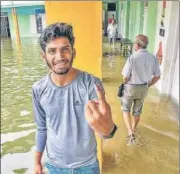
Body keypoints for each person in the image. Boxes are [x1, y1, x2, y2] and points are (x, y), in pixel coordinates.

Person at [32, 22, 118, 174]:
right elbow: (41, 128)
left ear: (74, 52)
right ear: (43, 56)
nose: (59, 57)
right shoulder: (38, 89)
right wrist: (37, 162)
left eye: (65, 49)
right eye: (52, 51)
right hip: (54, 165)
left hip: (87, 166)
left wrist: (108, 130)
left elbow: (105, 130)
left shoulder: (91, 84)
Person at [121, 35, 160, 145]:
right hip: (143, 88)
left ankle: (130, 132)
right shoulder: (153, 58)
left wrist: (124, 83)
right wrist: (148, 85)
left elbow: (125, 77)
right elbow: (157, 76)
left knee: (126, 109)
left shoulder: (132, 58)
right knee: (137, 111)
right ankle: (134, 128)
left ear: (137, 45)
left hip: (130, 88)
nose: (134, 45)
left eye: (134, 43)